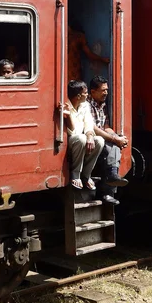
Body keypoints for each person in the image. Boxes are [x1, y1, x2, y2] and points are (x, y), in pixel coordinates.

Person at [88, 76, 128, 206]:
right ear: (93, 92)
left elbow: (106, 127)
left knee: (115, 145)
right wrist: (114, 139)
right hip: (90, 138)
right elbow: (93, 128)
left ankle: (111, 176)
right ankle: (108, 191)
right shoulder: (86, 105)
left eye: (107, 90)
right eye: (103, 90)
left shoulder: (102, 105)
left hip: (101, 137)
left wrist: (118, 137)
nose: (106, 93)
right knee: (112, 146)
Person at [59, 80, 105, 190]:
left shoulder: (85, 105)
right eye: (85, 93)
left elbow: (89, 123)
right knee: (81, 138)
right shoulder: (66, 105)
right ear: (78, 96)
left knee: (99, 141)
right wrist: (68, 115)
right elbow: (72, 132)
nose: (87, 95)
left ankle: (86, 175)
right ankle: (75, 174)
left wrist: (90, 136)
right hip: (70, 142)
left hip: (82, 139)